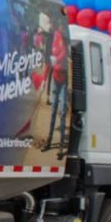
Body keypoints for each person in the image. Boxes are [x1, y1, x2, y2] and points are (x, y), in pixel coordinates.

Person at [45, 15, 68, 151]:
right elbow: (48, 58)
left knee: (63, 111)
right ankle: (49, 140)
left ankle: (60, 144)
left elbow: (63, 53)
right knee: (53, 110)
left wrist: (56, 59)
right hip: (55, 78)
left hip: (63, 80)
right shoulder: (52, 39)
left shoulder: (62, 39)